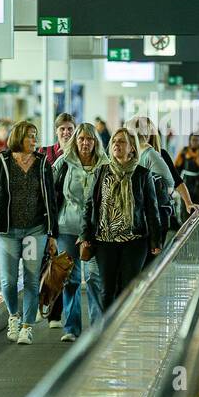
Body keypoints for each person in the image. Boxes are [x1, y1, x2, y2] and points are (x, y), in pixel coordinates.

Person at [0, 120, 58, 346]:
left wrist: (52, 234)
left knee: (30, 279)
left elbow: (51, 201)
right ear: (18, 138)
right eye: (29, 136)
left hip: (34, 231)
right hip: (8, 231)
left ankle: (27, 326)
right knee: (8, 281)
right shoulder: (2, 163)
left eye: (35, 136)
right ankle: (13, 317)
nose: (34, 141)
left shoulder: (43, 164)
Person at [79, 128, 163, 310]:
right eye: (114, 141)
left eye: (122, 141)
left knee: (128, 289)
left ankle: (125, 329)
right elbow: (89, 206)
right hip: (104, 241)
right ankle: (107, 331)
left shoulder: (142, 174)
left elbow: (151, 210)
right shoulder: (101, 173)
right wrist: (85, 235)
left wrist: (156, 240)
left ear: (132, 148)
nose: (116, 144)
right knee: (107, 290)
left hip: (135, 241)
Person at [53, 123, 108, 341]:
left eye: (89, 139)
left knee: (94, 277)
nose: (85, 143)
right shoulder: (63, 163)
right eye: (81, 139)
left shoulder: (105, 164)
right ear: (76, 141)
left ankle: (97, 328)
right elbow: (48, 187)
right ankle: (71, 328)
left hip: (95, 231)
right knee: (70, 279)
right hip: (67, 227)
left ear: (96, 142)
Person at [175, 133, 199, 205]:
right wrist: (176, 183)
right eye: (193, 140)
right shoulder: (184, 152)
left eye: (197, 140)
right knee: (186, 205)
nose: (195, 142)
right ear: (190, 141)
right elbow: (177, 167)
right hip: (186, 182)